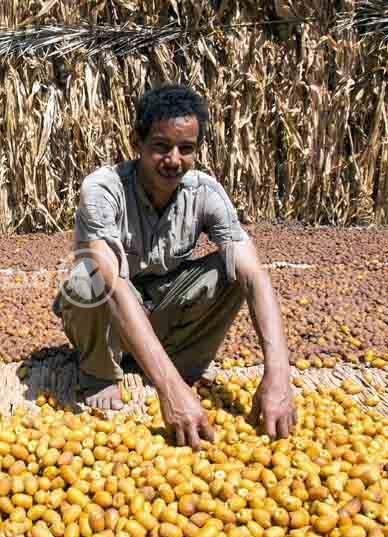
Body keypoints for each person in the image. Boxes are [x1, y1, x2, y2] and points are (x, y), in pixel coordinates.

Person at [53, 83, 297, 449]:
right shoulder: (103, 189)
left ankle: (180, 363)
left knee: (231, 270)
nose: (174, 160)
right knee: (86, 278)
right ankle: (100, 371)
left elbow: (254, 276)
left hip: (165, 309)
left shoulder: (205, 192)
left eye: (186, 149)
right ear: (137, 141)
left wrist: (279, 375)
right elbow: (113, 286)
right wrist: (170, 390)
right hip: (113, 321)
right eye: (161, 146)